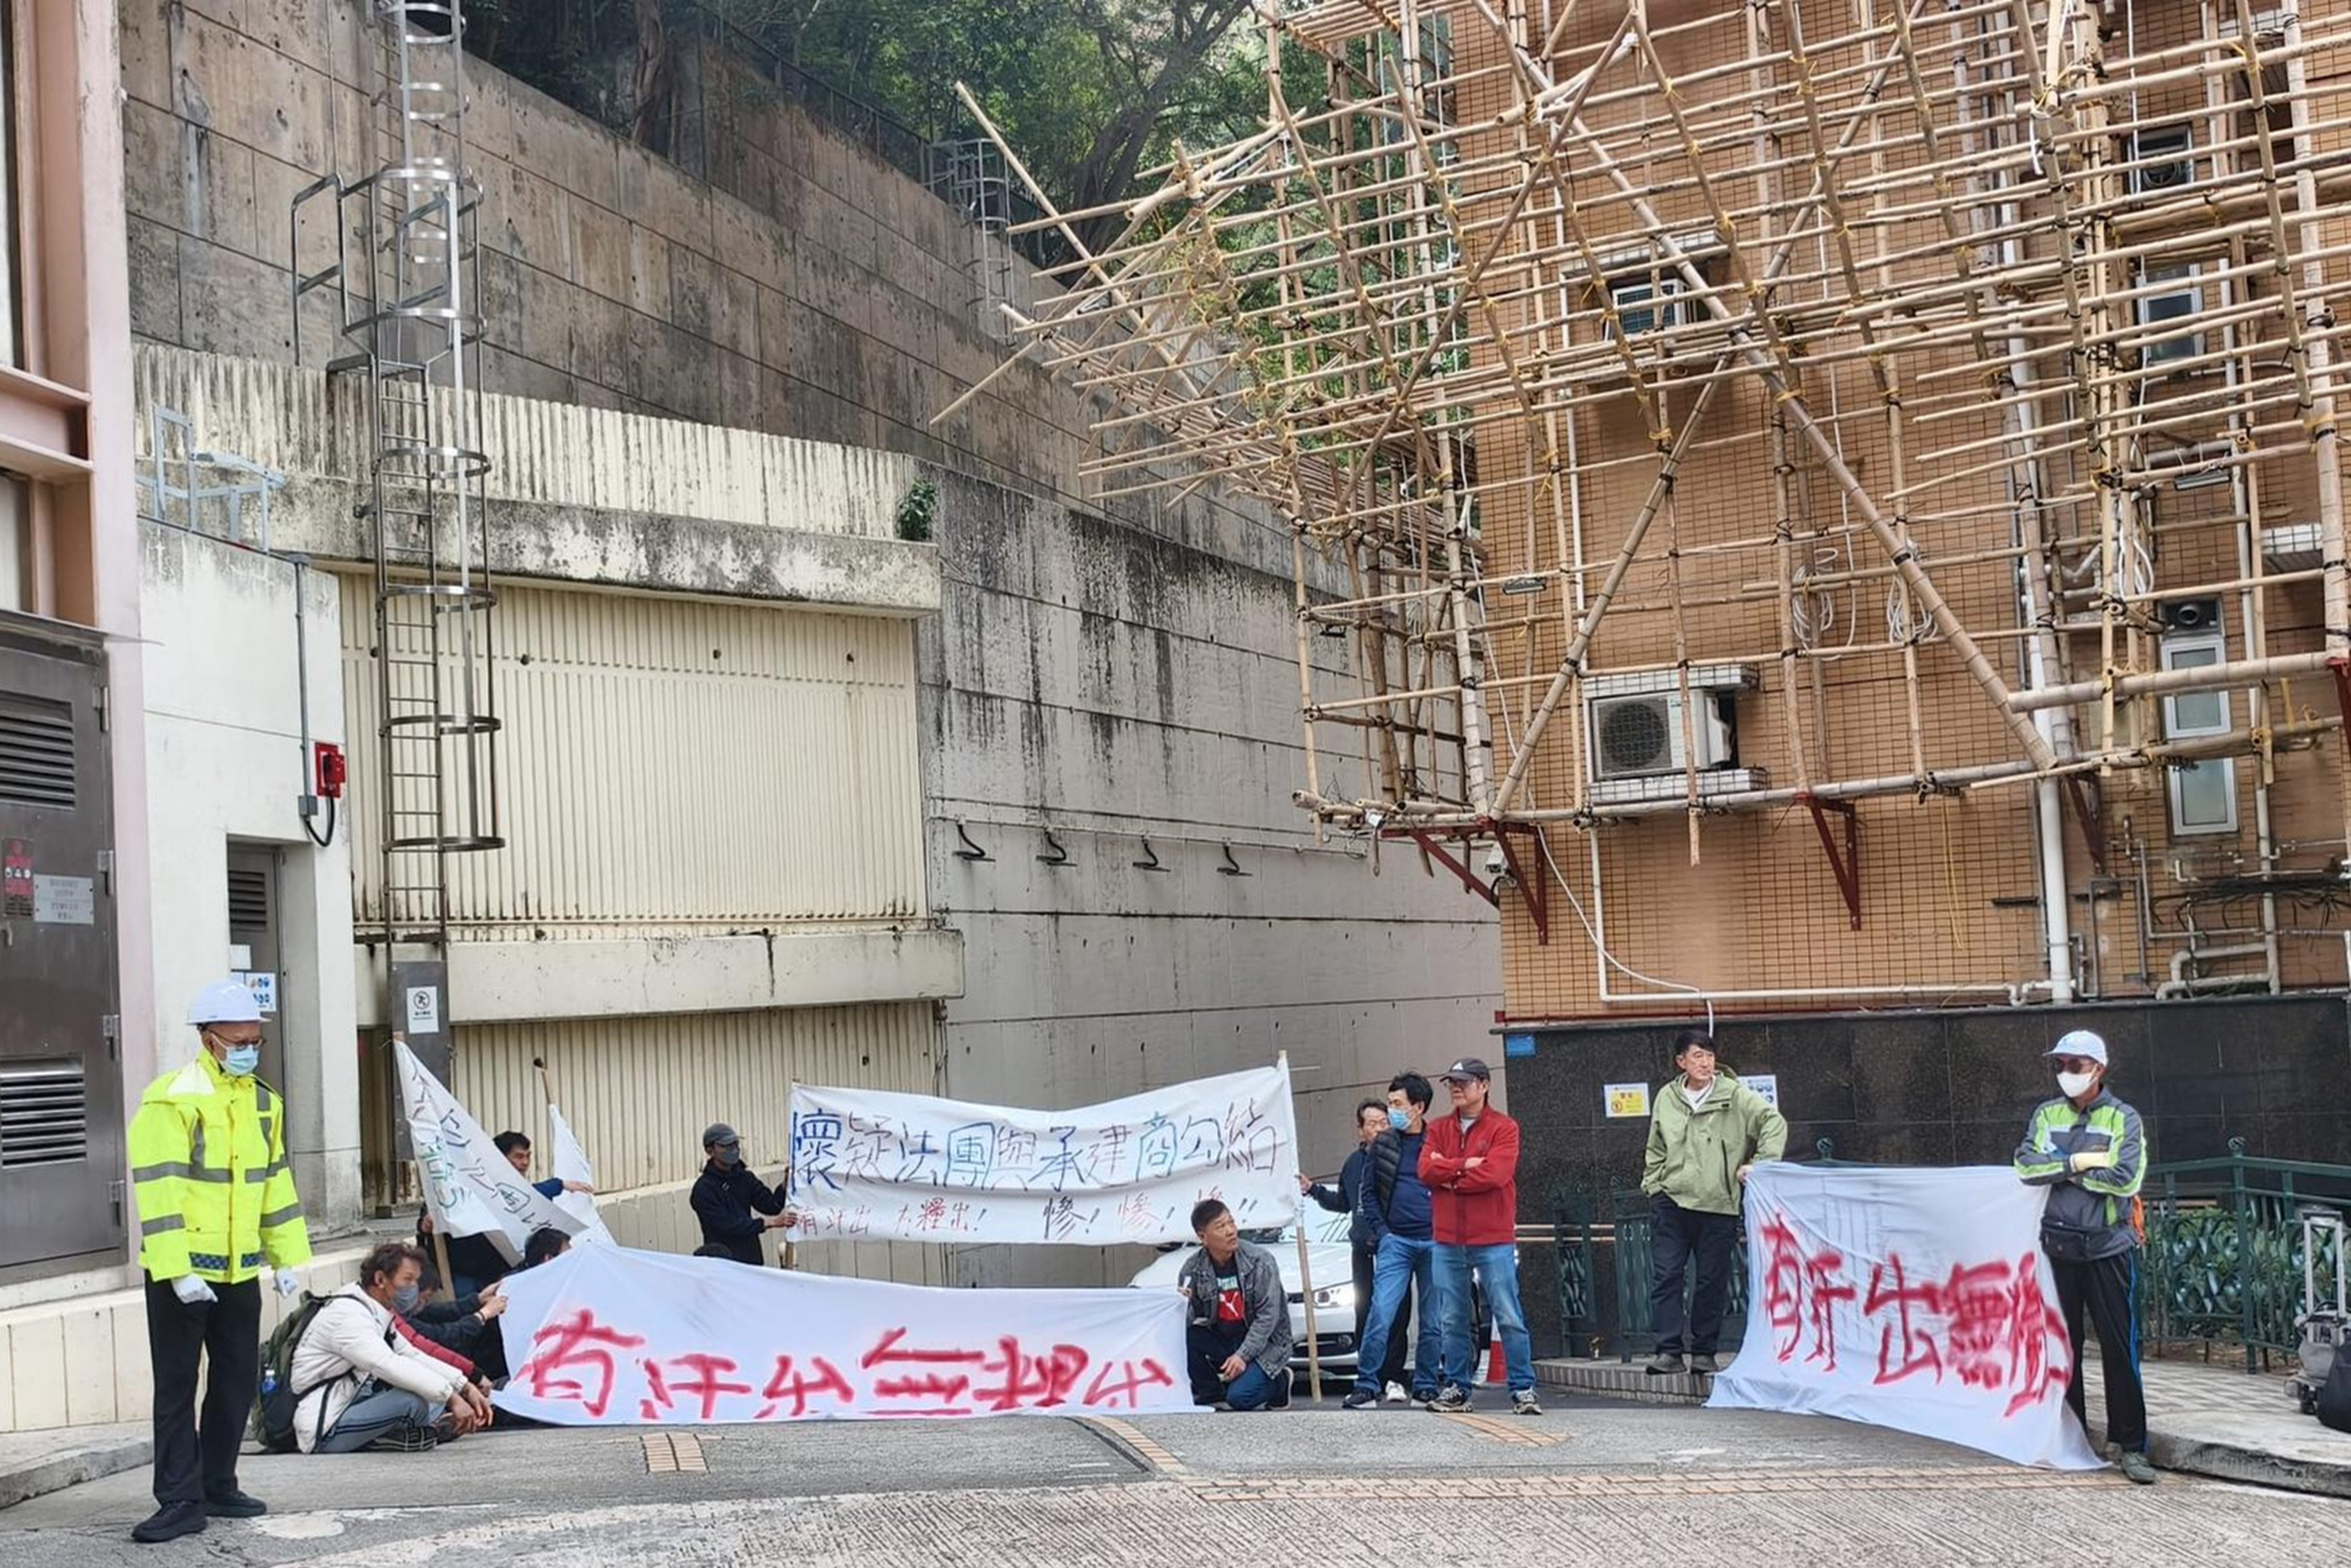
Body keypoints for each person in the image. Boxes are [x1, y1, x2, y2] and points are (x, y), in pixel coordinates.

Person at [126, 980, 312, 1543]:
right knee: (177, 1387)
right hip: (181, 1271)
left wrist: (285, 1256)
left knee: (236, 1381)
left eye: (256, 1039)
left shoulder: (263, 1101)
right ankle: (179, 1498)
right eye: (238, 1040)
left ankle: (217, 1481)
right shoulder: (172, 1098)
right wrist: (175, 1267)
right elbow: (159, 1190)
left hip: (238, 1269)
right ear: (208, 1039)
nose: (249, 1048)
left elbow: (273, 1182)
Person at [2014, 1028, 2156, 1484]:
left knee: (2119, 1348)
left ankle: (2131, 1446)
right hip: (2058, 1245)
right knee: (2064, 1346)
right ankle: (2072, 1438)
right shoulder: (2046, 1113)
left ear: (2098, 1069)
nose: (2065, 1073)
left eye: (2075, 1065)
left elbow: (2125, 1179)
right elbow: (2025, 1166)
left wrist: (2059, 1170)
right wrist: (2079, 1164)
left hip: (2109, 1247)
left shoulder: (2124, 1119)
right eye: (2060, 1065)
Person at [1641, 1027, 1787, 1377]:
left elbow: (1774, 1122)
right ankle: (1669, 1352)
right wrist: (1654, 1183)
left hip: (1717, 1204)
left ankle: (1704, 1352)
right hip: (1671, 1201)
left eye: (1709, 1055)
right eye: (1697, 1056)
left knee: (1711, 1280)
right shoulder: (1667, 1097)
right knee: (1667, 1276)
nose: (1706, 1063)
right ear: (1681, 1062)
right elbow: (1656, 1146)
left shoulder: (1734, 1095)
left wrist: (1761, 1166)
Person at [290, 1243, 495, 1454]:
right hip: (324, 1428)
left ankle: (412, 1433)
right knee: (412, 1403)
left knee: (429, 1397)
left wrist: (464, 1387)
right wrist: (451, 1398)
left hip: (353, 1403)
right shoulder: (348, 1316)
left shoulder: (375, 1311)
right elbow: (388, 1364)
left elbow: (411, 1354)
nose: (413, 1289)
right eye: (407, 1280)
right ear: (380, 1280)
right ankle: (406, 1435)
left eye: (416, 1281)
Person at [1421, 1058, 1539, 1415]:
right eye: (1452, 1083)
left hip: (1493, 1236)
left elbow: (1495, 1174)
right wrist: (1464, 1165)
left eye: (1464, 1082)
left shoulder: (1504, 1127)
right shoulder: (1438, 1128)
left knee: (1508, 1313)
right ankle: (1458, 1386)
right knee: (1452, 1317)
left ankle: (1523, 1388)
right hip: (1447, 1238)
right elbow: (1425, 1170)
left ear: (1484, 1085)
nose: (1456, 1089)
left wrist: (1449, 1177)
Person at [1342, 1072, 1443, 1409]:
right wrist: (1384, 1234)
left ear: (1419, 1106)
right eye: (1390, 1103)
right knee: (1380, 1312)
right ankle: (1367, 1384)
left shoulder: (1439, 1140)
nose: (1392, 1111)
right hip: (1396, 1241)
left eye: (1398, 1104)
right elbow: (1368, 1194)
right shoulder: (1383, 1144)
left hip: (1435, 1242)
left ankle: (1427, 1385)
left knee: (1432, 1319)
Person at [1299, 1098, 1396, 1396]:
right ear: (1360, 1130)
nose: (1379, 1129)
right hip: (1361, 1249)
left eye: (1384, 1122)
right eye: (1372, 1124)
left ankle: (1393, 1378)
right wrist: (1313, 1191)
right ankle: (1369, 1379)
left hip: (1392, 1249)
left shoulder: (1399, 1158)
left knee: (1395, 1314)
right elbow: (1343, 1202)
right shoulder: (1354, 1163)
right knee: (1364, 1313)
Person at [416, 1130, 589, 1297]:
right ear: (500, 1161)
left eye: (528, 1156)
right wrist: (427, 1223)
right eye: (519, 1157)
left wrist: (559, 1185)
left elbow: (527, 1197)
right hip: (464, 1270)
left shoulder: (516, 1193)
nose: (525, 1163)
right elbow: (436, 1209)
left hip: (499, 1270)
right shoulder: (469, 1184)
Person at [1177, 1200, 1294, 1410]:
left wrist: (1242, 1356)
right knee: (1188, 1336)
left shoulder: (1261, 1261)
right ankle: (1211, 1391)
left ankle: (1280, 1382)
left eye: (1231, 1222)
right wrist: (1183, 1304)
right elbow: (1186, 1322)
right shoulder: (1192, 1268)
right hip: (1226, 1338)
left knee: (1240, 1399)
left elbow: (1268, 1318)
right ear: (1203, 1237)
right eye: (1221, 1227)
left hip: (1265, 1344)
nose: (1231, 1231)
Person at [690, 1123, 797, 1263]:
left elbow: (771, 1206)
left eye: (735, 1144)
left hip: (751, 1259)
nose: (733, 1150)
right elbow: (728, 1225)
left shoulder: (745, 1178)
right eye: (726, 1146)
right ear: (710, 1150)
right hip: (722, 1262)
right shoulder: (704, 1189)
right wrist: (769, 1223)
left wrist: (785, 1185)